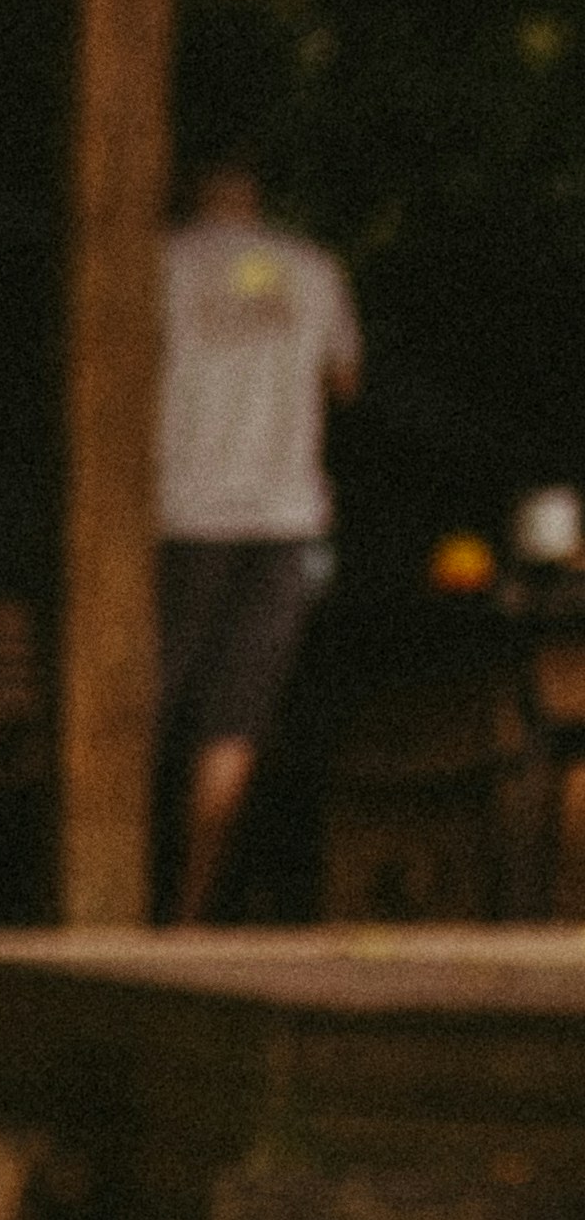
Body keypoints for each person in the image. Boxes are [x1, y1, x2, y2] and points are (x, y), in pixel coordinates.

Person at [156, 159, 360, 919]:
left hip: (179, 509)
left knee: (153, 700)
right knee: (235, 717)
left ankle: (120, 894)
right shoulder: (313, 269)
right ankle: (189, 908)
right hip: (283, 516)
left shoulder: (158, 261)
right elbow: (345, 380)